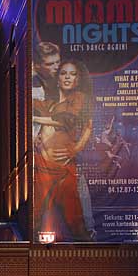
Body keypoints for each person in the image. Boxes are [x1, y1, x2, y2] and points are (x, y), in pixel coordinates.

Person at [33, 59, 94, 241]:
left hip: (64, 170)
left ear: (77, 80)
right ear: (57, 78)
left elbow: (68, 122)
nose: (68, 77)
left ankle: (91, 264)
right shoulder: (49, 103)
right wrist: (37, 136)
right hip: (42, 167)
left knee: (77, 224)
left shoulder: (78, 99)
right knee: (34, 219)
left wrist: (76, 149)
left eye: (72, 74)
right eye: (63, 73)